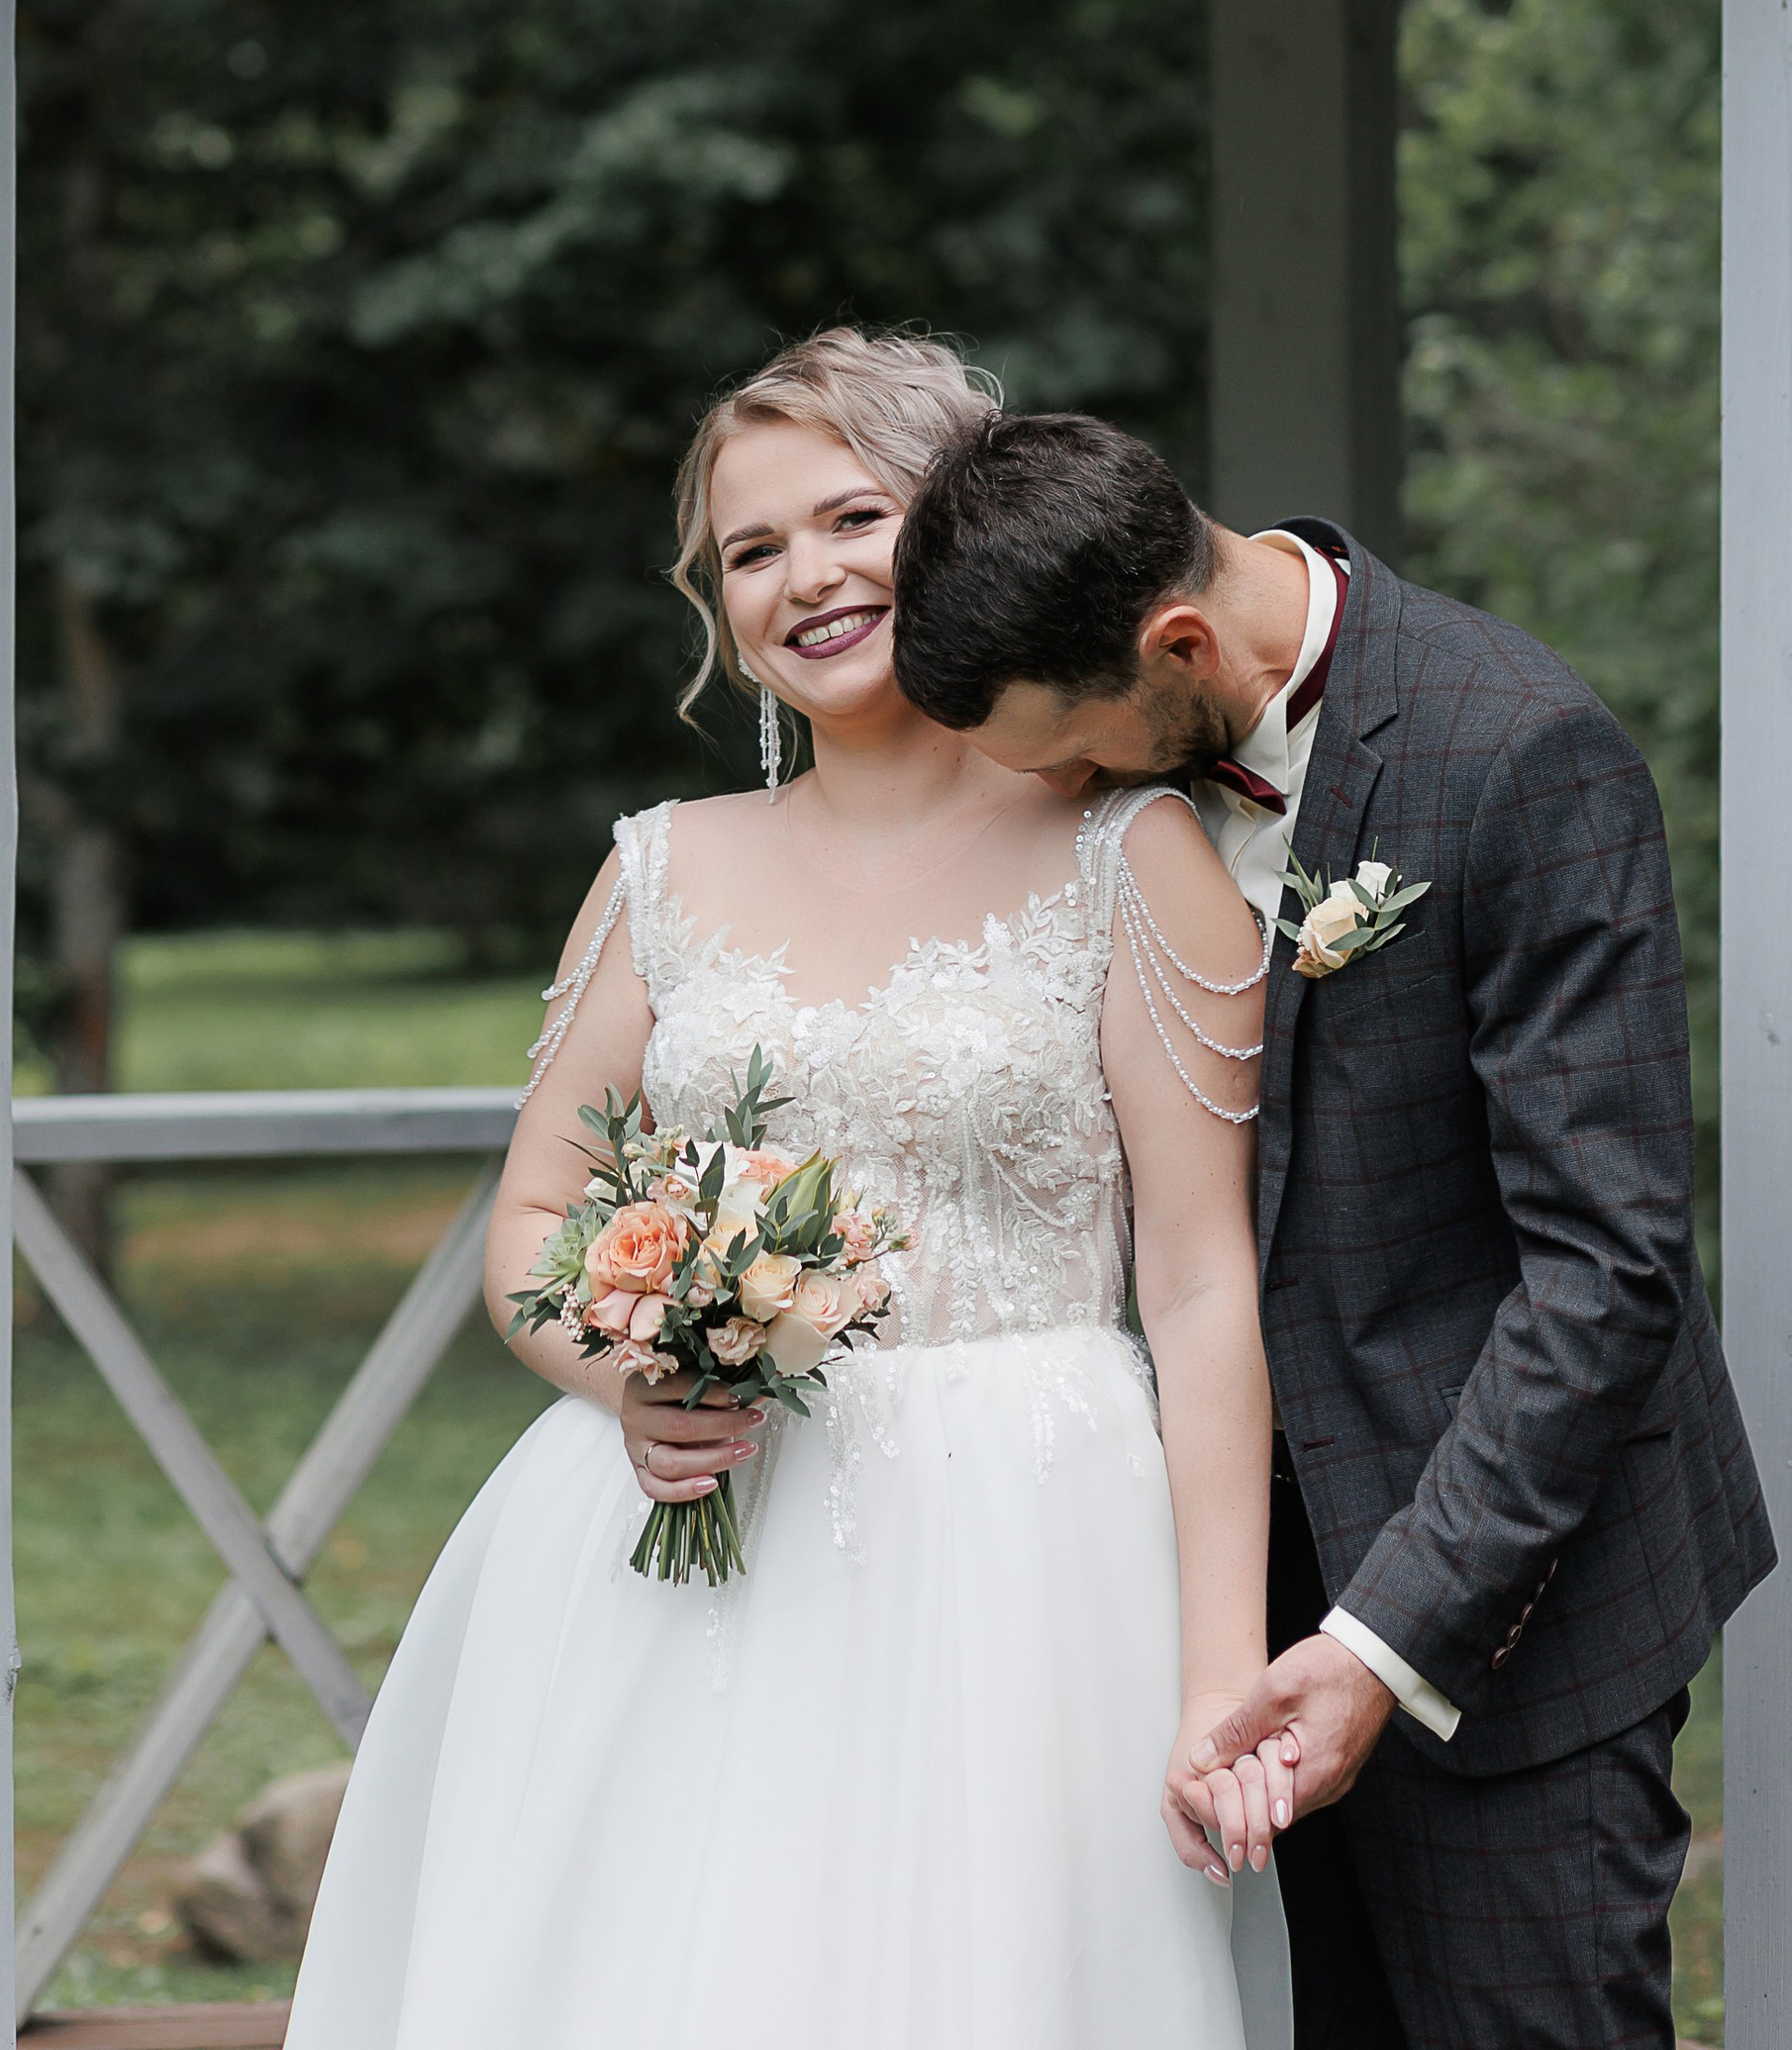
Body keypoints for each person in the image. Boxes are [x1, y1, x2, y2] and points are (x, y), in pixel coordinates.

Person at [287, 332, 1297, 2050]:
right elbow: (533, 1220)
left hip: (1029, 1560)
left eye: (852, 519)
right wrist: (631, 1373)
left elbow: (1205, 1292)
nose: (805, 578)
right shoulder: (659, 869)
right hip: (682, 1562)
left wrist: (1222, 1672)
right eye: (751, 552)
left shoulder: (1136, 855)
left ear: (965, 528)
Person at [887, 416, 1776, 2050]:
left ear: (1176, 642)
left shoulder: (1517, 751)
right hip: (1211, 1610)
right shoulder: (1119, 780)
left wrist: (1380, 1642)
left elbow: (1607, 1271)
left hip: (1508, 1601)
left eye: (1065, 740)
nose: (1057, 785)